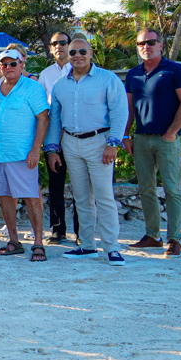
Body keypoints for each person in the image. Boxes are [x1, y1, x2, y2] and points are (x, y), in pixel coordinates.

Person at [44, 36, 131, 266]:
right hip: (71, 144)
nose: (78, 56)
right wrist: (52, 149)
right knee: (81, 197)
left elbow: (120, 111)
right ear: (67, 55)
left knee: (104, 197)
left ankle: (112, 248)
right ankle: (88, 245)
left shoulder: (107, 79)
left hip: (99, 142)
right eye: (73, 52)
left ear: (91, 53)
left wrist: (113, 143)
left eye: (82, 51)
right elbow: (54, 120)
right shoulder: (60, 85)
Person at [125, 28, 181, 258]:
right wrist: (126, 135)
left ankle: (175, 239)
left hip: (167, 139)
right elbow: (129, 109)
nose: (146, 46)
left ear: (161, 44)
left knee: (172, 190)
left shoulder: (175, 70)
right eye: (141, 43)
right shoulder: (133, 74)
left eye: (151, 42)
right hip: (142, 138)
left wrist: (172, 132)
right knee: (146, 189)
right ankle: (153, 236)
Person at [0, 49, 49, 261]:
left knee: (31, 199)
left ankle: (38, 242)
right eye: (4, 64)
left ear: (21, 65)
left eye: (13, 64)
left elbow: (43, 119)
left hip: (22, 155)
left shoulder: (32, 88)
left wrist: (36, 149)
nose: (8, 68)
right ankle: (14, 240)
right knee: (5, 198)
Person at [37, 31, 78, 244]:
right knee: (55, 185)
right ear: (50, 48)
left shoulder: (80, 69)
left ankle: (81, 232)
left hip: (78, 136)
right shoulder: (46, 75)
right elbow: (43, 109)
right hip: (55, 138)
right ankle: (57, 230)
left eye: (63, 42)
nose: (59, 46)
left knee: (81, 186)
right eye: (55, 43)